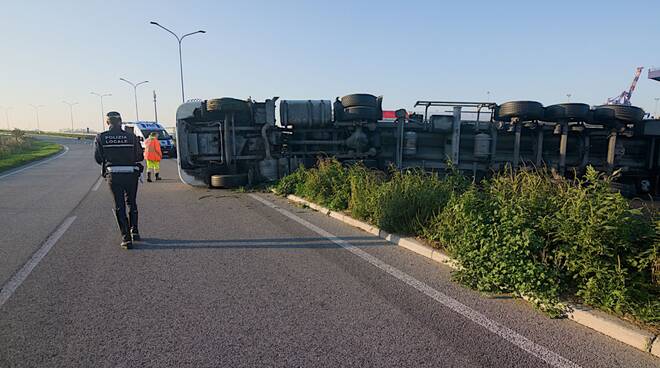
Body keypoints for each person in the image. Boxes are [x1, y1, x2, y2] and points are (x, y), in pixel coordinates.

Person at [94, 111, 144, 249]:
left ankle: (126, 238)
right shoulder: (131, 136)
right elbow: (140, 156)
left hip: (113, 174)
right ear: (120, 121)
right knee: (132, 202)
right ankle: (135, 231)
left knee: (119, 205)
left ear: (107, 122)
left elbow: (98, 158)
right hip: (131, 173)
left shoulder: (101, 137)